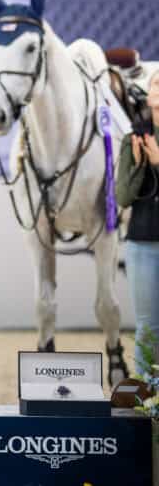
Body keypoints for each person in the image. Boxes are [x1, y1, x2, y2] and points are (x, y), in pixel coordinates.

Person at [115, 71, 159, 374]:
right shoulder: (134, 137)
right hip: (142, 243)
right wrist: (141, 165)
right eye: (156, 83)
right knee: (147, 327)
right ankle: (147, 400)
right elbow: (123, 197)